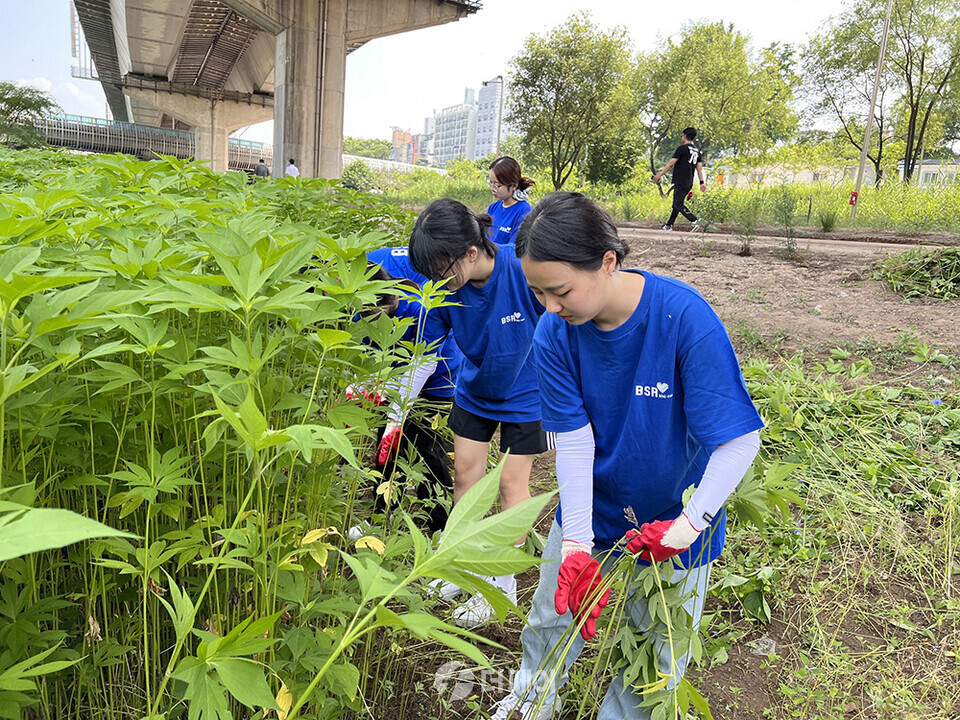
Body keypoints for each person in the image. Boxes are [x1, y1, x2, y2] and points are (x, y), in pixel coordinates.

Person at [489, 191, 763, 720]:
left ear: (608, 262)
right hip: (592, 510)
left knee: (655, 653)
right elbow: (573, 439)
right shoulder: (555, 332)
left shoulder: (683, 319)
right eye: (538, 292)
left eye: (560, 290)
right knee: (551, 615)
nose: (550, 306)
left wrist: (687, 526)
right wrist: (576, 541)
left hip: (673, 525)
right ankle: (532, 699)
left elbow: (738, 439)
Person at [408, 198, 548, 628]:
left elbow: (561, 324)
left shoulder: (521, 270)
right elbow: (425, 348)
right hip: (475, 389)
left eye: (442, 269)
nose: (437, 279)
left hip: (527, 392)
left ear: (472, 253)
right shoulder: (445, 289)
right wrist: (398, 403)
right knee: (466, 474)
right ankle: (463, 566)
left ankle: (499, 584)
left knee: (510, 483)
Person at [352, 247, 462, 537]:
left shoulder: (421, 312)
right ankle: (381, 515)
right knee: (386, 448)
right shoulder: (360, 317)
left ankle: (440, 525)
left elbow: (425, 365)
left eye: (379, 315)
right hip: (392, 381)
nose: (374, 323)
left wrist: (398, 413)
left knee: (428, 450)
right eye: (366, 316)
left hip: (437, 380)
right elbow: (363, 359)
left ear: (393, 302)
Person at [652, 127, 706, 231]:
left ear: (685, 135)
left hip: (680, 180)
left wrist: (659, 175)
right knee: (676, 204)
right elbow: (699, 168)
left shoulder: (682, 149)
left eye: (682, 135)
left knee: (678, 204)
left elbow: (671, 163)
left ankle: (695, 220)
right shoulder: (697, 151)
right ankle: (669, 225)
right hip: (689, 181)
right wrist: (701, 182)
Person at [486, 156, 535, 245]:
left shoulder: (524, 211)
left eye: (497, 185)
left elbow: (513, 250)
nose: (492, 188)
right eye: (490, 183)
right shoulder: (493, 208)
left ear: (514, 186)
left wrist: (488, 249)